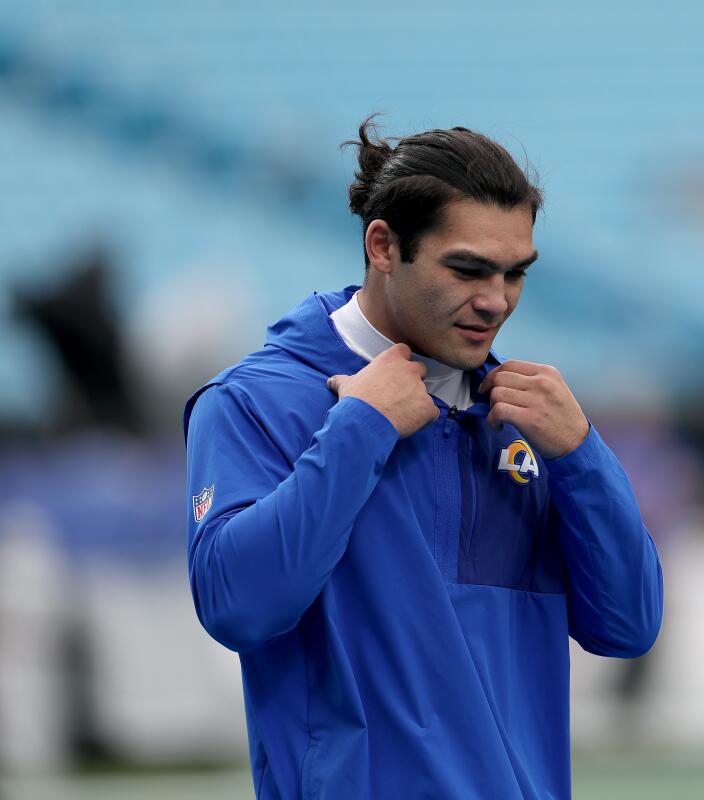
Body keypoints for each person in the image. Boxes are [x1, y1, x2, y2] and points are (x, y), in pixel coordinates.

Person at [183, 117, 664, 799]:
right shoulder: (255, 401)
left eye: (515, 274)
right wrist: (359, 431)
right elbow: (239, 606)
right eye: (467, 269)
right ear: (383, 245)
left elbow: (627, 625)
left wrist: (584, 456)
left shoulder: (526, 422)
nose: (495, 301)